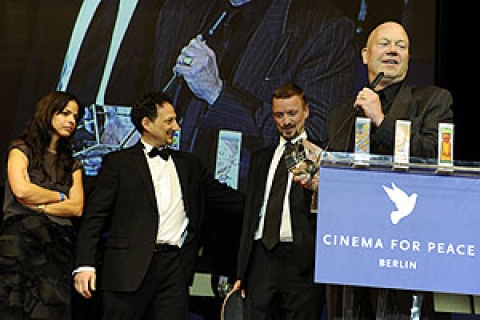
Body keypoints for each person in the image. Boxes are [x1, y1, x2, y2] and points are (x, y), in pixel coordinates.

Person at [153, 0, 357, 192]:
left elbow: (312, 143)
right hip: (167, 196)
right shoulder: (181, 9)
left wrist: (217, 93)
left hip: (248, 209)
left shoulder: (322, 29)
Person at [73, 91, 244, 319]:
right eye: (169, 121)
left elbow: (224, 197)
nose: (176, 126)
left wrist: (265, 207)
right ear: (147, 124)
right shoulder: (118, 163)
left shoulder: (189, 164)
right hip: (127, 269)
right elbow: (95, 216)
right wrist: (85, 264)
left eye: (176, 120)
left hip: (175, 267)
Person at [324, 21, 454, 319]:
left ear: (408, 58)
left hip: (404, 249)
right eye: (385, 44)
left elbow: (433, 155)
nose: (393, 50)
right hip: (349, 250)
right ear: (365, 55)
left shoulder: (432, 100)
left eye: (402, 46)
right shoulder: (342, 114)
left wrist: (381, 121)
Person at [233, 82, 325, 319]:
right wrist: (241, 270)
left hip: (301, 260)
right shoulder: (261, 158)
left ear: (306, 111)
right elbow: (250, 216)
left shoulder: (322, 155)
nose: (286, 121)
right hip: (261, 257)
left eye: (292, 113)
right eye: (279, 115)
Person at [0, 91, 85, 319]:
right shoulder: (21, 149)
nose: (71, 121)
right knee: (13, 308)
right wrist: (59, 197)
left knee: (50, 309)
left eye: (75, 117)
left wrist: (39, 205)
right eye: (65, 113)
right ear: (48, 113)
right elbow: (21, 190)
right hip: (19, 242)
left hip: (57, 245)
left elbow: (76, 207)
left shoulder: (72, 164)